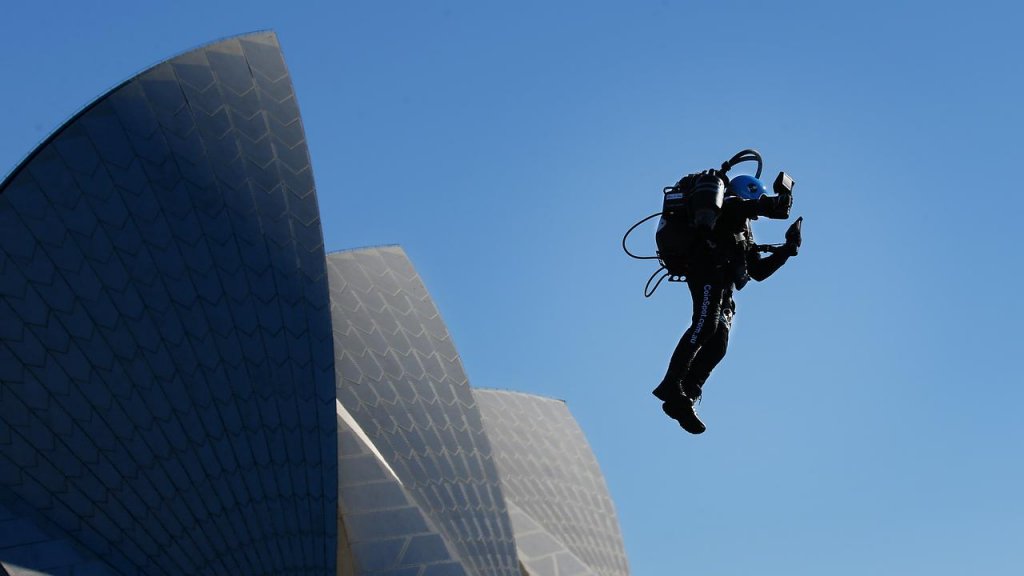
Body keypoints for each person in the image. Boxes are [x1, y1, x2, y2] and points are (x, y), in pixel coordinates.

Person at [651, 169, 802, 434]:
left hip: (723, 285)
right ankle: (671, 384)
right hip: (706, 270)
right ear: (746, 193)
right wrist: (783, 198)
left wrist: (787, 251)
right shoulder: (731, 207)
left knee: (718, 343)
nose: (754, 214)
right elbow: (775, 209)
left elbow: (757, 272)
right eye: (753, 201)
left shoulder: (744, 231)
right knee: (705, 325)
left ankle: (685, 395)